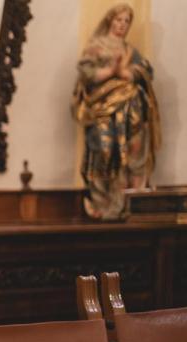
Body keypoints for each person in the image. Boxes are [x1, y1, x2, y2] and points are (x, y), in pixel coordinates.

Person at [73, 2, 161, 220]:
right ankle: (103, 204)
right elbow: (86, 73)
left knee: (135, 151)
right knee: (104, 149)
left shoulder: (130, 51)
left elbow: (146, 71)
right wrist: (110, 71)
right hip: (102, 108)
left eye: (126, 21)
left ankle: (132, 203)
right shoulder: (97, 46)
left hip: (132, 108)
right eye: (118, 19)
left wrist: (127, 73)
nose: (122, 25)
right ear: (110, 20)